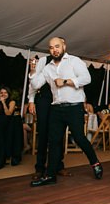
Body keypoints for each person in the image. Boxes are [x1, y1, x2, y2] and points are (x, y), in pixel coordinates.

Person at [28, 37, 101, 187]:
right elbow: (35, 84)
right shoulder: (47, 68)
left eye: (57, 46)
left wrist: (66, 81)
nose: (54, 50)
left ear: (64, 46)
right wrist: (33, 71)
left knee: (79, 138)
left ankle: (95, 163)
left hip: (74, 108)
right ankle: (50, 175)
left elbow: (87, 78)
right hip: (56, 109)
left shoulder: (74, 61)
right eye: (51, 48)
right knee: (54, 142)